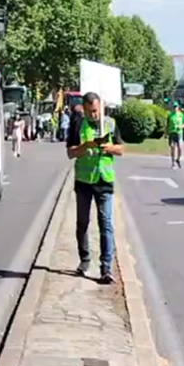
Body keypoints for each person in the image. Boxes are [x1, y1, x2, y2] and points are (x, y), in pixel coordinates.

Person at [65, 91, 124, 284]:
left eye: (96, 111)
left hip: (104, 180)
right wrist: (86, 146)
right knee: (82, 223)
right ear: (84, 108)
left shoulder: (110, 124)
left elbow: (121, 149)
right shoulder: (77, 124)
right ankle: (84, 260)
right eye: (90, 111)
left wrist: (109, 148)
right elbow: (70, 153)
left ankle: (106, 267)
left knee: (106, 223)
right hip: (83, 181)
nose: (94, 115)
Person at [167, 101, 184, 168]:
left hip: (179, 133)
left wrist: (181, 127)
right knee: (172, 147)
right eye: (174, 107)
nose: (175, 108)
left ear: (178, 107)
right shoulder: (170, 115)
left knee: (180, 148)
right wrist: (166, 132)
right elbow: (167, 124)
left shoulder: (181, 115)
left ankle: (178, 159)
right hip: (172, 132)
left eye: (176, 107)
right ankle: (173, 162)